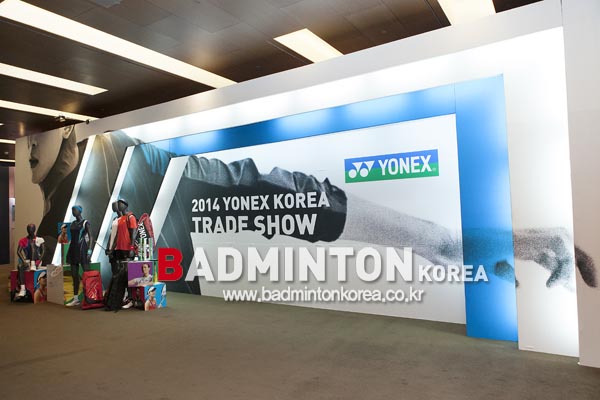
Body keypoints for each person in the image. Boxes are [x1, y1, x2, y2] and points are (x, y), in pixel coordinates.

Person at [65, 205, 93, 307]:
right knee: (74, 275)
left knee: (87, 274)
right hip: (73, 250)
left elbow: (91, 237)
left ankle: (90, 297)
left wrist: (89, 251)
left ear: (80, 211)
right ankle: (76, 298)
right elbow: (70, 238)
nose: (73, 211)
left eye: (75, 210)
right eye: (72, 210)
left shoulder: (85, 222)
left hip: (82, 250)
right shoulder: (72, 224)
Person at [15, 224, 45, 299]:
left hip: (37, 260)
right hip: (27, 261)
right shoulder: (23, 240)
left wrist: (38, 261)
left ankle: (33, 264)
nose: (30, 230)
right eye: (28, 229)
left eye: (31, 229)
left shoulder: (40, 239)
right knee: (20, 266)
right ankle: (23, 289)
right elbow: (18, 252)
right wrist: (23, 261)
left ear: (34, 229)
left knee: (32, 244)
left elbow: (43, 251)